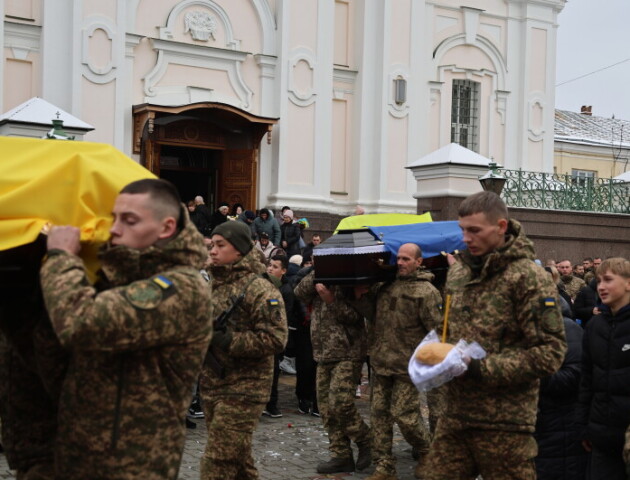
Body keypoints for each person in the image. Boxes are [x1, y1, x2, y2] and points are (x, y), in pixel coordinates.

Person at [40, 178, 214, 479]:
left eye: (129, 221)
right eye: (114, 218)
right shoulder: (129, 275)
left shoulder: (181, 288)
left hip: (133, 463)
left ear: (166, 228)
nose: (115, 229)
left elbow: (81, 324)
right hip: (87, 453)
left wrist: (62, 258)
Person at [423, 191, 566, 480]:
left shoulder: (528, 277)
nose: (465, 238)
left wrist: (478, 367)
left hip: (504, 423)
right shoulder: (459, 273)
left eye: (474, 230)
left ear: (501, 227)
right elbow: (447, 329)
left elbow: (550, 353)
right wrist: (433, 351)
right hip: (455, 416)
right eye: (462, 230)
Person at [199, 221, 287, 480]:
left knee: (217, 462)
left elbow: (276, 339)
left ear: (238, 249)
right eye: (211, 245)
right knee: (238, 460)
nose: (213, 251)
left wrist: (228, 340)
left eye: (220, 245)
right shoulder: (213, 282)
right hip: (213, 383)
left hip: (246, 387)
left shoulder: (259, 288)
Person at [352, 243, 442, 480]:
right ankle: (385, 466)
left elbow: (438, 332)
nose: (400, 263)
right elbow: (373, 315)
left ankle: (428, 453)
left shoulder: (427, 292)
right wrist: (361, 298)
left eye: (406, 259)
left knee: (405, 415)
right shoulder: (386, 286)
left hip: (407, 367)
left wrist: (429, 365)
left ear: (418, 262)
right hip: (381, 363)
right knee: (379, 415)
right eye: (399, 259)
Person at [295, 272, 371, 475]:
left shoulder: (350, 280)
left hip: (348, 352)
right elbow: (299, 291)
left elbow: (355, 316)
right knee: (326, 409)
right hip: (323, 352)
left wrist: (331, 299)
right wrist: (317, 275)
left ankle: (366, 439)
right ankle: (341, 456)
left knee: (340, 403)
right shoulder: (318, 277)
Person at [577, 257, 630, 480]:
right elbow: (586, 379)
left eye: (608, 280)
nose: (601, 286)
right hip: (601, 436)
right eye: (598, 281)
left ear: (628, 283)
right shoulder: (594, 326)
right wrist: (584, 426)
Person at [534, 294, 586, 480]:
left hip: (561, 424)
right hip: (538, 425)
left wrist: (531, 378)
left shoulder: (568, 329)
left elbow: (576, 375)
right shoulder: (524, 331)